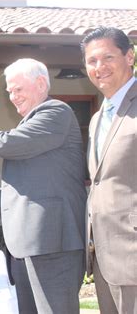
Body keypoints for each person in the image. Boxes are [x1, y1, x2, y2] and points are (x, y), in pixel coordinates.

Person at [0, 58, 87, 313]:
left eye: (18, 89)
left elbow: (6, 144)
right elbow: (21, 189)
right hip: (27, 246)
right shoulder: (30, 124)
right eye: (9, 91)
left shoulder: (55, 112)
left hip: (53, 243)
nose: (13, 97)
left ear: (41, 84)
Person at [81, 27, 137, 314]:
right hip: (103, 255)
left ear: (130, 57)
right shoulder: (97, 119)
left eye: (108, 57)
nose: (99, 67)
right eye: (92, 61)